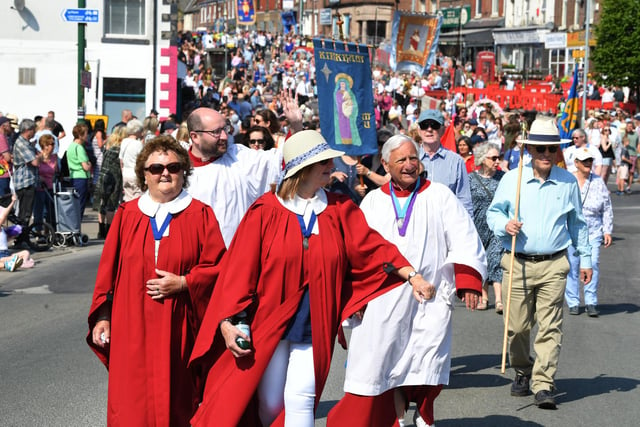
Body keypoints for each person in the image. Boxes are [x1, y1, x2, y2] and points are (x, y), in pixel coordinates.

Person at [188, 130, 434, 427]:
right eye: (323, 162)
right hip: (269, 321)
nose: (331, 166)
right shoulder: (265, 211)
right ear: (303, 169)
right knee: (270, 402)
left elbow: (373, 246)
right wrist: (227, 321)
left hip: (316, 318)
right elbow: (239, 272)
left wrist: (412, 276)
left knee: (301, 397)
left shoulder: (339, 209)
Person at [328, 134, 486, 427]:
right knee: (387, 359)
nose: (410, 165)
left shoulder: (439, 196)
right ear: (386, 165)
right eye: (402, 160)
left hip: (430, 296)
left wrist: (467, 280)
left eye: (414, 158)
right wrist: (356, 298)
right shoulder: (373, 202)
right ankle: (397, 417)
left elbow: (464, 236)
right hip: (383, 300)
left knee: (427, 357)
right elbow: (357, 253)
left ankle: (425, 413)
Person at [87, 136, 227, 427]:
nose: (165, 173)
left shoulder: (200, 214)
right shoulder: (127, 215)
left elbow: (219, 268)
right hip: (130, 324)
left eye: (174, 167)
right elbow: (107, 273)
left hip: (179, 325)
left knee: (176, 397)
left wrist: (186, 282)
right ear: (144, 175)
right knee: (131, 400)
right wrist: (103, 316)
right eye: (156, 168)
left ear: (183, 172)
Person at [487, 118, 592, 410]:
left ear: (557, 152)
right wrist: (504, 225)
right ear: (530, 149)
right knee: (517, 327)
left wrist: (586, 258)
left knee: (550, 326)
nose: (546, 153)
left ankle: (544, 383)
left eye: (551, 148)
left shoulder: (568, 181)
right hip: (517, 263)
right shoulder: (512, 179)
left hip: (554, 264)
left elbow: (578, 223)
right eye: (541, 148)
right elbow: (493, 214)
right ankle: (523, 368)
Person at [185, 107, 283, 247]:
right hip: (198, 260)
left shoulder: (238, 156)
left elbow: (278, 161)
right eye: (216, 132)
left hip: (239, 257)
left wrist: (296, 125)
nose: (225, 136)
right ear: (195, 137)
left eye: (225, 128)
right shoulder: (176, 171)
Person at [565, 148, 613, 317]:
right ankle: (573, 301)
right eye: (584, 161)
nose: (588, 164)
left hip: (593, 231)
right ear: (576, 162)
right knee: (572, 266)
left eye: (590, 160)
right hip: (571, 231)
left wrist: (607, 230)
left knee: (592, 264)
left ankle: (591, 301)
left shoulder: (598, 181)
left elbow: (607, 207)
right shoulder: (568, 180)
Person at [469, 142, 505, 313]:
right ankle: (484, 296)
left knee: (495, 258)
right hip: (477, 225)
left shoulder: (503, 178)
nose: (497, 161)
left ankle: (499, 300)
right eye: (493, 158)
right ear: (483, 159)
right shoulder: (470, 179)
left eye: (499, 157)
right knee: (482, 260)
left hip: (497, 225)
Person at [416, 109, 472, 217]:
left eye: (434, 125)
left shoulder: (456, 161)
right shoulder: (410, 158)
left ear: (442, 130)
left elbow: (464, 201)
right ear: (419, 130)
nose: (429, 129)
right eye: (424, 125)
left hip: (446, 225)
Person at [94, 128, 125, 238]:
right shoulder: (119, 149)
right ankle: (108, 230)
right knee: (111, 205)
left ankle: (101, 230)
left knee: (102, 203)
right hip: (114, 178)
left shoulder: (108, 146)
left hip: (103, 176)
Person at [12, 119, 42, 224]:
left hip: (28, 181)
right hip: (25, 182)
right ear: (28, 130)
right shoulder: (22, 143)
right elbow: (35, 162)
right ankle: (22, 238)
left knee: (25, 212)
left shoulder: (26, 143)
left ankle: (23, 236)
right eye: (33, 130)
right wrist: (41, 156)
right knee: (25, 213)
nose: (35, 132)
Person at [66, 123, 92, 219]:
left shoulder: (71, 146)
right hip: (81, 177)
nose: (87, 135)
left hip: (73, 176)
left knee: (75, 204)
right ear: (80, 135)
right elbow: (85, 166)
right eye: (86, 133)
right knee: (80, 205)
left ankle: (74, 227)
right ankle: (77, 227)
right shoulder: (79, 148)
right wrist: (89, 164)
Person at [33, 134, 57, 227]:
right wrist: (39, 177)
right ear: (45, 145)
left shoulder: (54, 158)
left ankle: (49, 232)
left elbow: (55, 173)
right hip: (40, 188)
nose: (54, 145)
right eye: (52, 144)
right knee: (39, 211)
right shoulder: (38, 157)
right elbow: (35, 171)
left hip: (50, 187)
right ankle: (38, 231)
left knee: (50, 213)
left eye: (54, 143)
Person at [119, 119, 145, 202]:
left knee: (128, 199)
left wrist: (122, 172)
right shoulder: (138, 144)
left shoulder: (124, 141)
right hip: (135, 174)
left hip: (126, 174)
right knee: (137, 199)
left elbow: (121, 160)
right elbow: (142, 160)